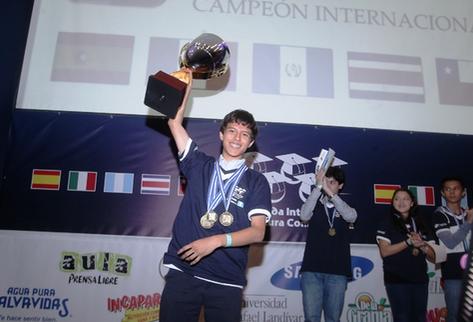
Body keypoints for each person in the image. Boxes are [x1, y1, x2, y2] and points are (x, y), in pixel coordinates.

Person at [159, 70, 272, 322]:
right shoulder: (199, 164)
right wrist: (186, 86)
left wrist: (216, 241)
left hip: (226, 280)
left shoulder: (257, 181)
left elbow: (257, 232)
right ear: (221, 134)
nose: (237, 138)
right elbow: (174, 123)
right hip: (184, 272)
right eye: (232, 131)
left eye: (245, 135)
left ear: (250, 144)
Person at [299, 166, 357, 322]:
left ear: (341, 185)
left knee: (333, 318)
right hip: (312, 271)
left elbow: (351, 217)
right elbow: (304, 216)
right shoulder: (315, 203)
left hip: (337, 273)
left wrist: (331, 194)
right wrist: (318, 187)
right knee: (311, 318)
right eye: (326, 181)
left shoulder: (346, 206)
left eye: (332, 182)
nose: (328, 185)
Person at [376, 188, 435, 322]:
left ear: (412, 202)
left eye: (405, 199)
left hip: (420, 280)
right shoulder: (387, 223)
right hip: (396, 280)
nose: (401, 202)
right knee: (402, 318)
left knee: (420, 318)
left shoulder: (422, 224)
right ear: (393, 203)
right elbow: (385, 252)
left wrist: (423, 246)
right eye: (397, 199)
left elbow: (434, 257)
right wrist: (408, 242)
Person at [431, 177, 473, 322]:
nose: (452, 192)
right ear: (442, 193)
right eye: (448, 189)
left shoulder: (469, 214)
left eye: (456, 188)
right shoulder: (439, 215)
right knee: (454, 314)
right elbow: (450, 242)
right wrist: (468, 223)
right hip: (453, 273)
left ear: (463, 192)